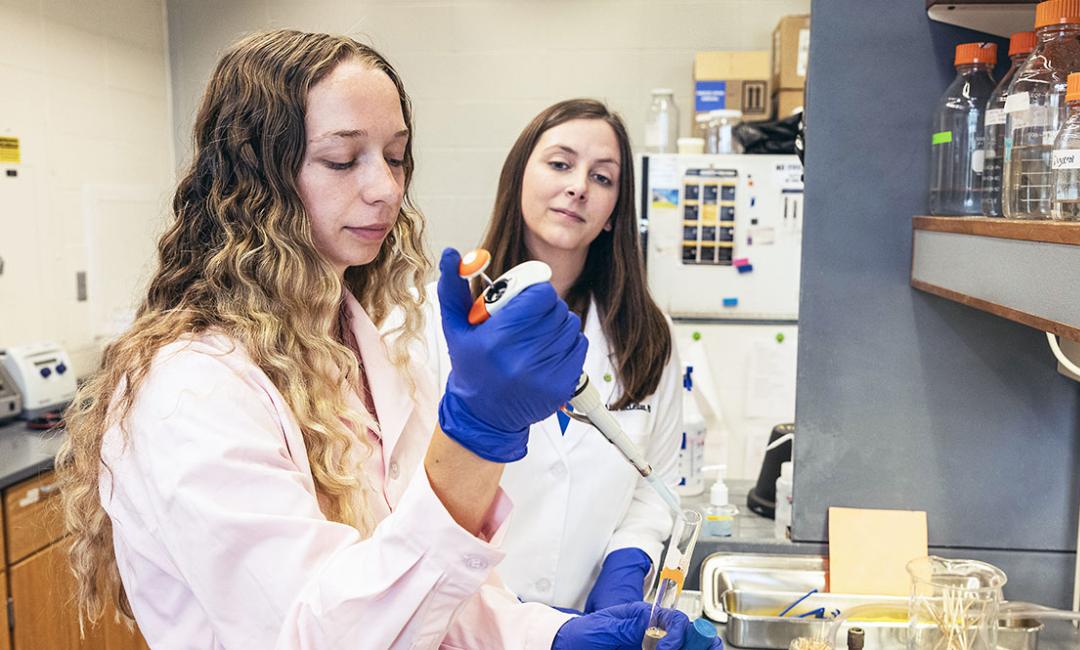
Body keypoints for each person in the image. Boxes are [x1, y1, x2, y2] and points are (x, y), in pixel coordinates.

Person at [54, 30, 711, 650]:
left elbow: (433, 592)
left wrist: (545, 637)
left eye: (396, 157)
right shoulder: (193, 388)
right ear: (256, 178)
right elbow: (323, 633)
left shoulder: (358, 349)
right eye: (343, 159)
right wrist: (475, 435)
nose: (387, 188)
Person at [420, 99, 683, 613]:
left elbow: (658, 482)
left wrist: (625, 569)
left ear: (613, 215)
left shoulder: (648, 336)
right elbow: (406, 481)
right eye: (560, 164)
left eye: (603, 178)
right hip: (459, 621)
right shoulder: (435, 318)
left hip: (590, 623)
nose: (579, 185)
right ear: (518, 177)